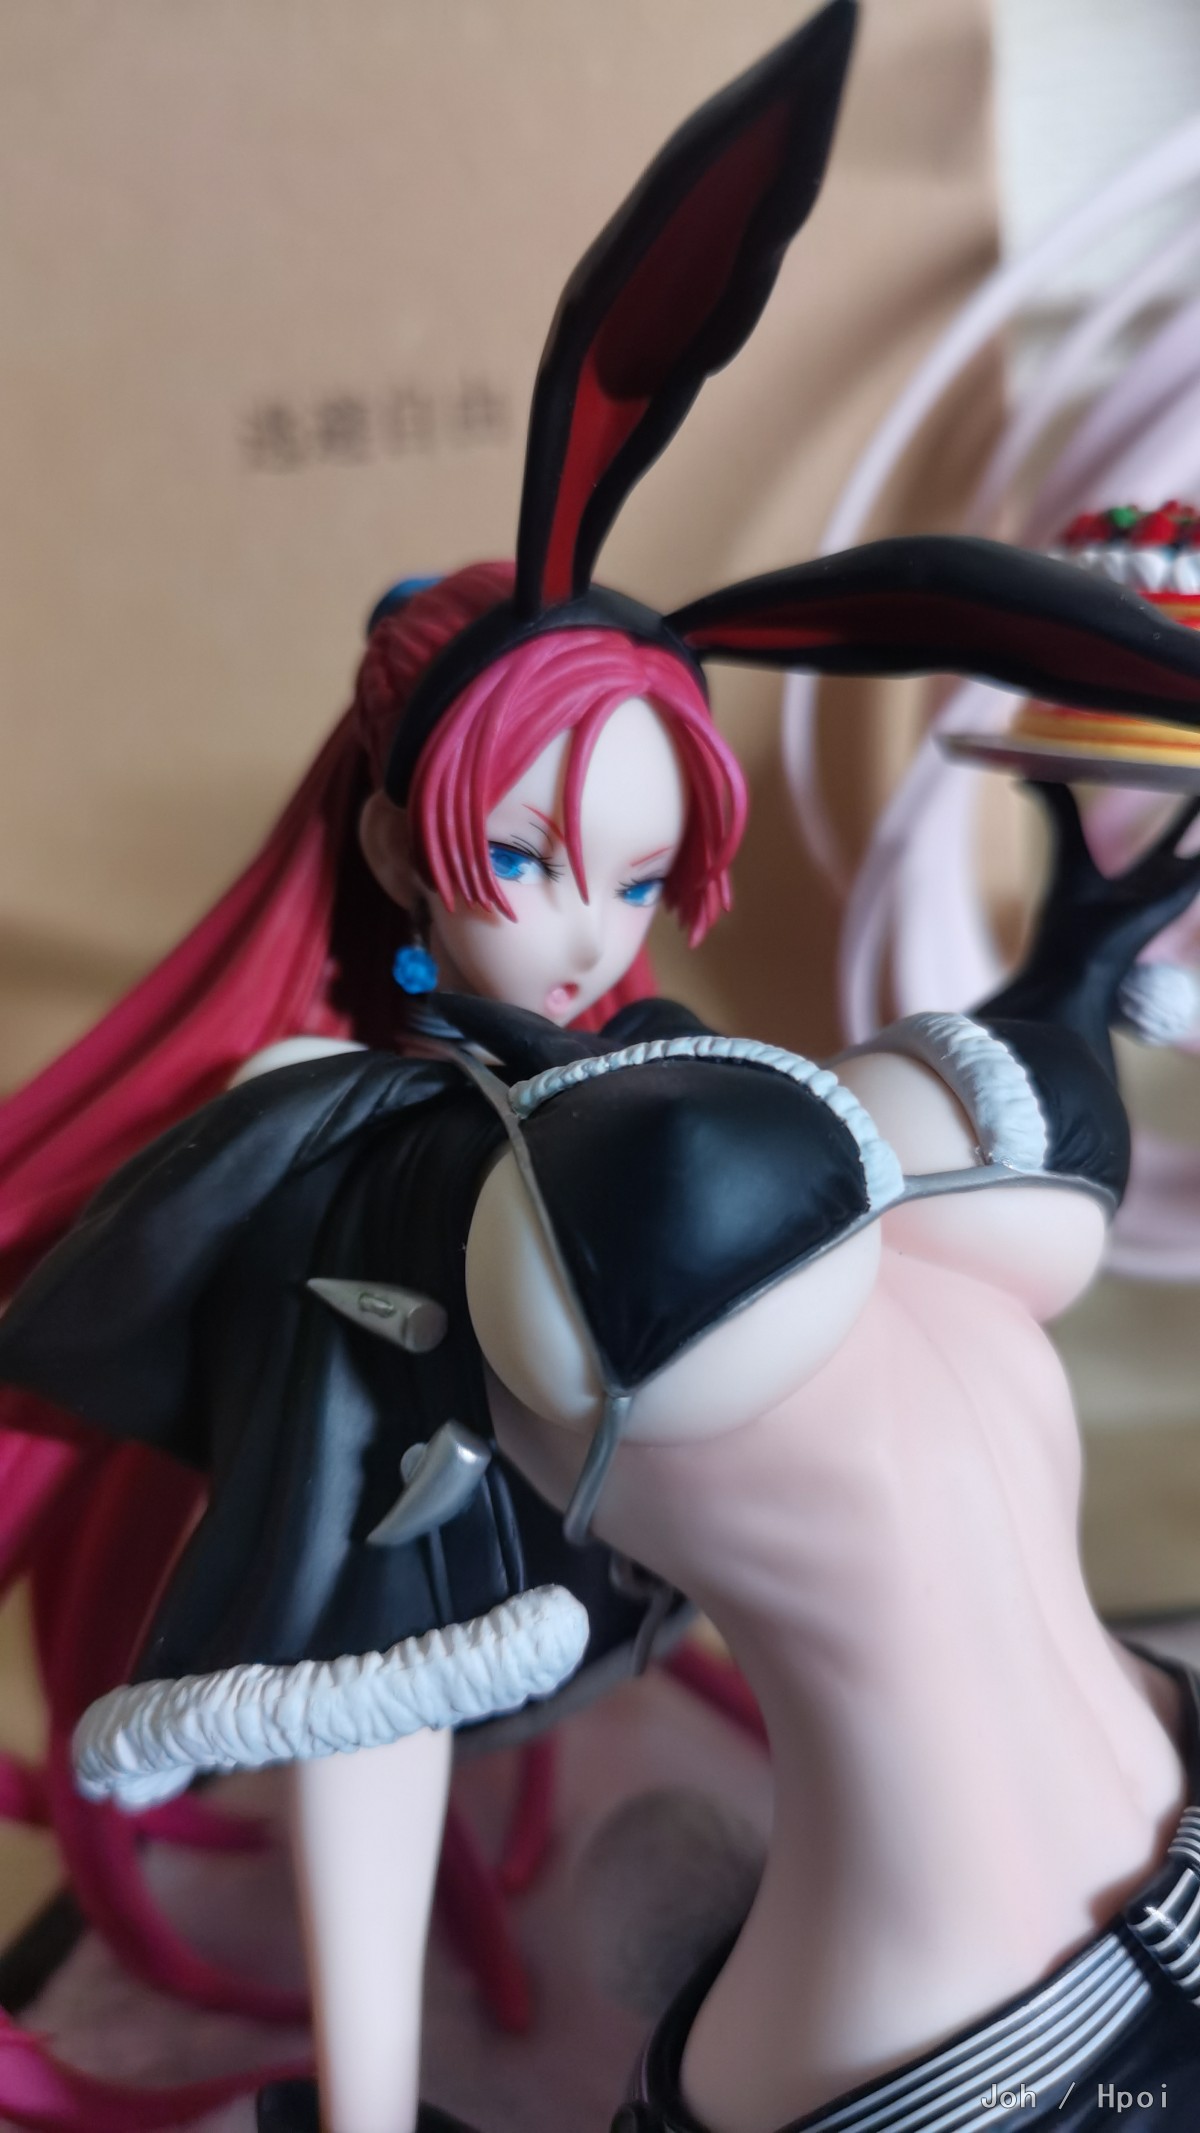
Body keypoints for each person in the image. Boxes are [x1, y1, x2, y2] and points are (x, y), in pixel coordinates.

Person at [10, 4, 1200, 2127]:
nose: (589, 922)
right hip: (936, 2048)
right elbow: (356, 1684)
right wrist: (369, 2105)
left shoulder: (685, 1068)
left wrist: (1094, 940)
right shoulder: (376, 1183)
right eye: (529, 857)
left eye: (642, 869)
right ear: (403, 844)